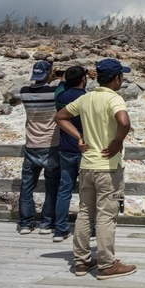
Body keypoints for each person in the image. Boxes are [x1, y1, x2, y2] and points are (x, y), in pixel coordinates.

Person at [55, 58, 136, 280]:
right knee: (106, 216)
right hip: (108, 168)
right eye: (122, 76)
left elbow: (60, 117)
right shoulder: (114, 98)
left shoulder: (86, 98)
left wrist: (79, 137)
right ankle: (107, 264)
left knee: (84, 212)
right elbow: (124, 122)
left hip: (87, 165)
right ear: (117, 78)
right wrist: (117, 142)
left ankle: (81, 261)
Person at [18, 60, 62, 235]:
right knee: (51, 187)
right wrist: (58, 77)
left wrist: (50, 76)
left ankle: (26, 223)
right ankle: (46, 223)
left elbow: (39, 87)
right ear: (49, 73)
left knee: (27, 186)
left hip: (31, 144)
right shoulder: (54, 92)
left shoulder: (24, 93)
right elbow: (64, 89)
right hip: (51, 144)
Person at [52, 66, 93, 242]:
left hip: (66, 148)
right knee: (89, 192)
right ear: (83, 80)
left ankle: (60, 229)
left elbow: (61, 86)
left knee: (64, 190)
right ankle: (89, 230)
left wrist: (62, 77)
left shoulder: (60, 97)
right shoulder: (87, 98)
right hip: (86, 149)